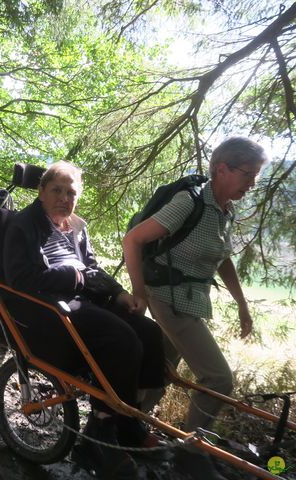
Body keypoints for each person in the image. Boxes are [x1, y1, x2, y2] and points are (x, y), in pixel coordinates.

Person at [3, 161, 166, 480]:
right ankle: (100, 438)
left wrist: (119, 294)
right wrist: (71, 278)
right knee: (122, 339)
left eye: (71, 193)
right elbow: (20, 279)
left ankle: (126, 420)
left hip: (81, 299)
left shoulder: (75, 226)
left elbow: (90, 267)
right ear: (41, 191)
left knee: (147, 332)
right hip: (46, 311)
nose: (64, 198)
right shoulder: (24, 225)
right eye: (57, 191)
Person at [122, 136, 268, 479]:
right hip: (167, 299)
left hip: (190, 301)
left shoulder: (224, 211)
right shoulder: (189, 202)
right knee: (218, 377)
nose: (252, 183)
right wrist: (139, 292)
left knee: (157, 376)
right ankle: (190, 454)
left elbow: (222, 258)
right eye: (248, 175)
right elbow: (133, 239)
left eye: (256, 176)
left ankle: (120, 431)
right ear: (221, 169)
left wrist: (242, 304)